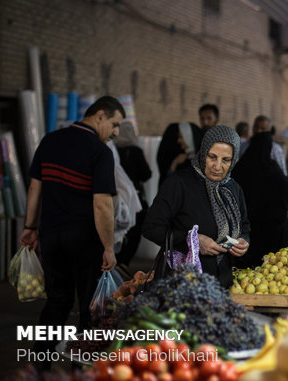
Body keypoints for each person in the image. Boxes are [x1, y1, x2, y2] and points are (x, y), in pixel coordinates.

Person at [19, 96, 125, 366]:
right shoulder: (99, 151)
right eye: (115, 124)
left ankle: (40, 365)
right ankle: (81, 366)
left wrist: (30, 227)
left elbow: (34, 189)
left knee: (57, 301)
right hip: (84, 239)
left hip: (51, 237)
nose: (116, 132)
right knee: (90, 307)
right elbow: (101, 204)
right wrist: (109, 246)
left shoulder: (49, 140)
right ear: (99, 115)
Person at [143, 125, 250, 288]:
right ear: (203, 153)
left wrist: (244, 241)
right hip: (181, 284)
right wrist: (192, 241)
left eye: (226, 160)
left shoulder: (233, 188)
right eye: (212, 157)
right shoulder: (179, 183)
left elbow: (244, 226)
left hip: (222, 283)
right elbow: (151, 227)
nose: (217, 166)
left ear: (234, 160)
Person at [232, 132, 288, 267]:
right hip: (271, 228)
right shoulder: (273, 169)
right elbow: (286, 188)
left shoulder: (241, 167)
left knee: (247, 267)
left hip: (248, 227)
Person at [113, 122, 152, 270]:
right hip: (134, 199)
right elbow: (146, 174)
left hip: (116, 199)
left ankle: (117, 258)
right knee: (135, 230)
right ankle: (124, 262)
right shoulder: (135, 151)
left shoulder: (113, 150)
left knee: (118, 229)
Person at [156, 122, 202, 188]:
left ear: (188, 138)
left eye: (181, 137)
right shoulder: (183, 158)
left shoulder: (199, 161)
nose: (178, 141)